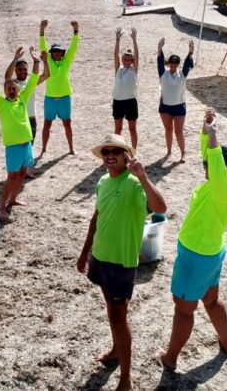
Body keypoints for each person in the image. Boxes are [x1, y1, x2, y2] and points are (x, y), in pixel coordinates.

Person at [160, 108, 227, 369]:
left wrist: (214, 134)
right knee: (211, 300)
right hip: (210, 253)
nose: (206, 167)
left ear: (222, 170)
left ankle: (171, 357)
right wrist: (205, 127)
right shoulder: (221, 188)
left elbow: (215, 160)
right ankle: (226, 342)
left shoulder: (224, 192)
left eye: (210, 165)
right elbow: (209, 156)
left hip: (196, 256)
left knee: (184, 309)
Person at [77, 134, 167, 391]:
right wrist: (85, 252)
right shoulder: (103, 181)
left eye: (115, 150)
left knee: (119, 317)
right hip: (101, 257)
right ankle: (116, 350)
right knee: (112, 309)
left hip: (121, 263)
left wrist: (143, 176)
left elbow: (161, 207)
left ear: (127, 154)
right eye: (106, 151)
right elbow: (96, 217)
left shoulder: (135, 185)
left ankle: (126, 378)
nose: (109, 155)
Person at [0, 48, 41, 221]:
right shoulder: (0, 104)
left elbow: (33, 79)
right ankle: (1, 208)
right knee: (11, 177)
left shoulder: (22, 99)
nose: (11, 90)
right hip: (13, 146)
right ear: (5, 90)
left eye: (13, 88)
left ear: (18, 90)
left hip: (27, 144)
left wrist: (37, 62)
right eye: (8, 88)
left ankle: (14, 199)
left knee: (23, 173)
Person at [39, 19, 79, 156]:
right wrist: (42, 30)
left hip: (64, 98)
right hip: (50, 98)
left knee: (67, 124)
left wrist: (76, 31)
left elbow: (73, 48)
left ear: (62, 53)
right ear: (52, 52)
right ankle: (43, 149)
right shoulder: (49, 60)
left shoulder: (66, 62)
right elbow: (43, 47)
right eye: (55, 51)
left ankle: (71, 148)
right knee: (47, 125)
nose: (57, 53)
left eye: (59, 51)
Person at [157, 38, 195, 162]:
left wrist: (190, 52)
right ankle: (169, 151)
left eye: (175, 64)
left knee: (178, 132)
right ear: (169, 64)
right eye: (171, 64)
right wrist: (160, 49)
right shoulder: (163, 73)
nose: (173, 66)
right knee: (168, 130)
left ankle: (183, 153)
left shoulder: (182, 74)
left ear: (177, 65)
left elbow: (187, 64)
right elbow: (160, 61)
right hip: (165, 107)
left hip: (179, 107)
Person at [4, 46, 50, 148]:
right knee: (17, 146)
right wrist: (15, 59)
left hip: (31, 118)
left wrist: (44, 62)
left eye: (25, 70)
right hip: (17, 118)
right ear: (15, 70)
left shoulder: (31, 82)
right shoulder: (13, 84)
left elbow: (46, 75)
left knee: (29, 146)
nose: (22, 72)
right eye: (19, 69)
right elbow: (7, 76)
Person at [113, 27, 140, 150]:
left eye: (130, 60)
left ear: (132, 61)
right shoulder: (118, 69)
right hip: (118, 101)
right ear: (123, 60)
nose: (127, 62)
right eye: (125, 59)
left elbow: (137, 55)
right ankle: (118, 149)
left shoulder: (134, 70)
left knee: (132, 128)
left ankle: (133, 150)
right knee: (118, 128)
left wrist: (134, 39)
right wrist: (117, 39)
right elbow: (115, 55)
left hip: (130, 102)